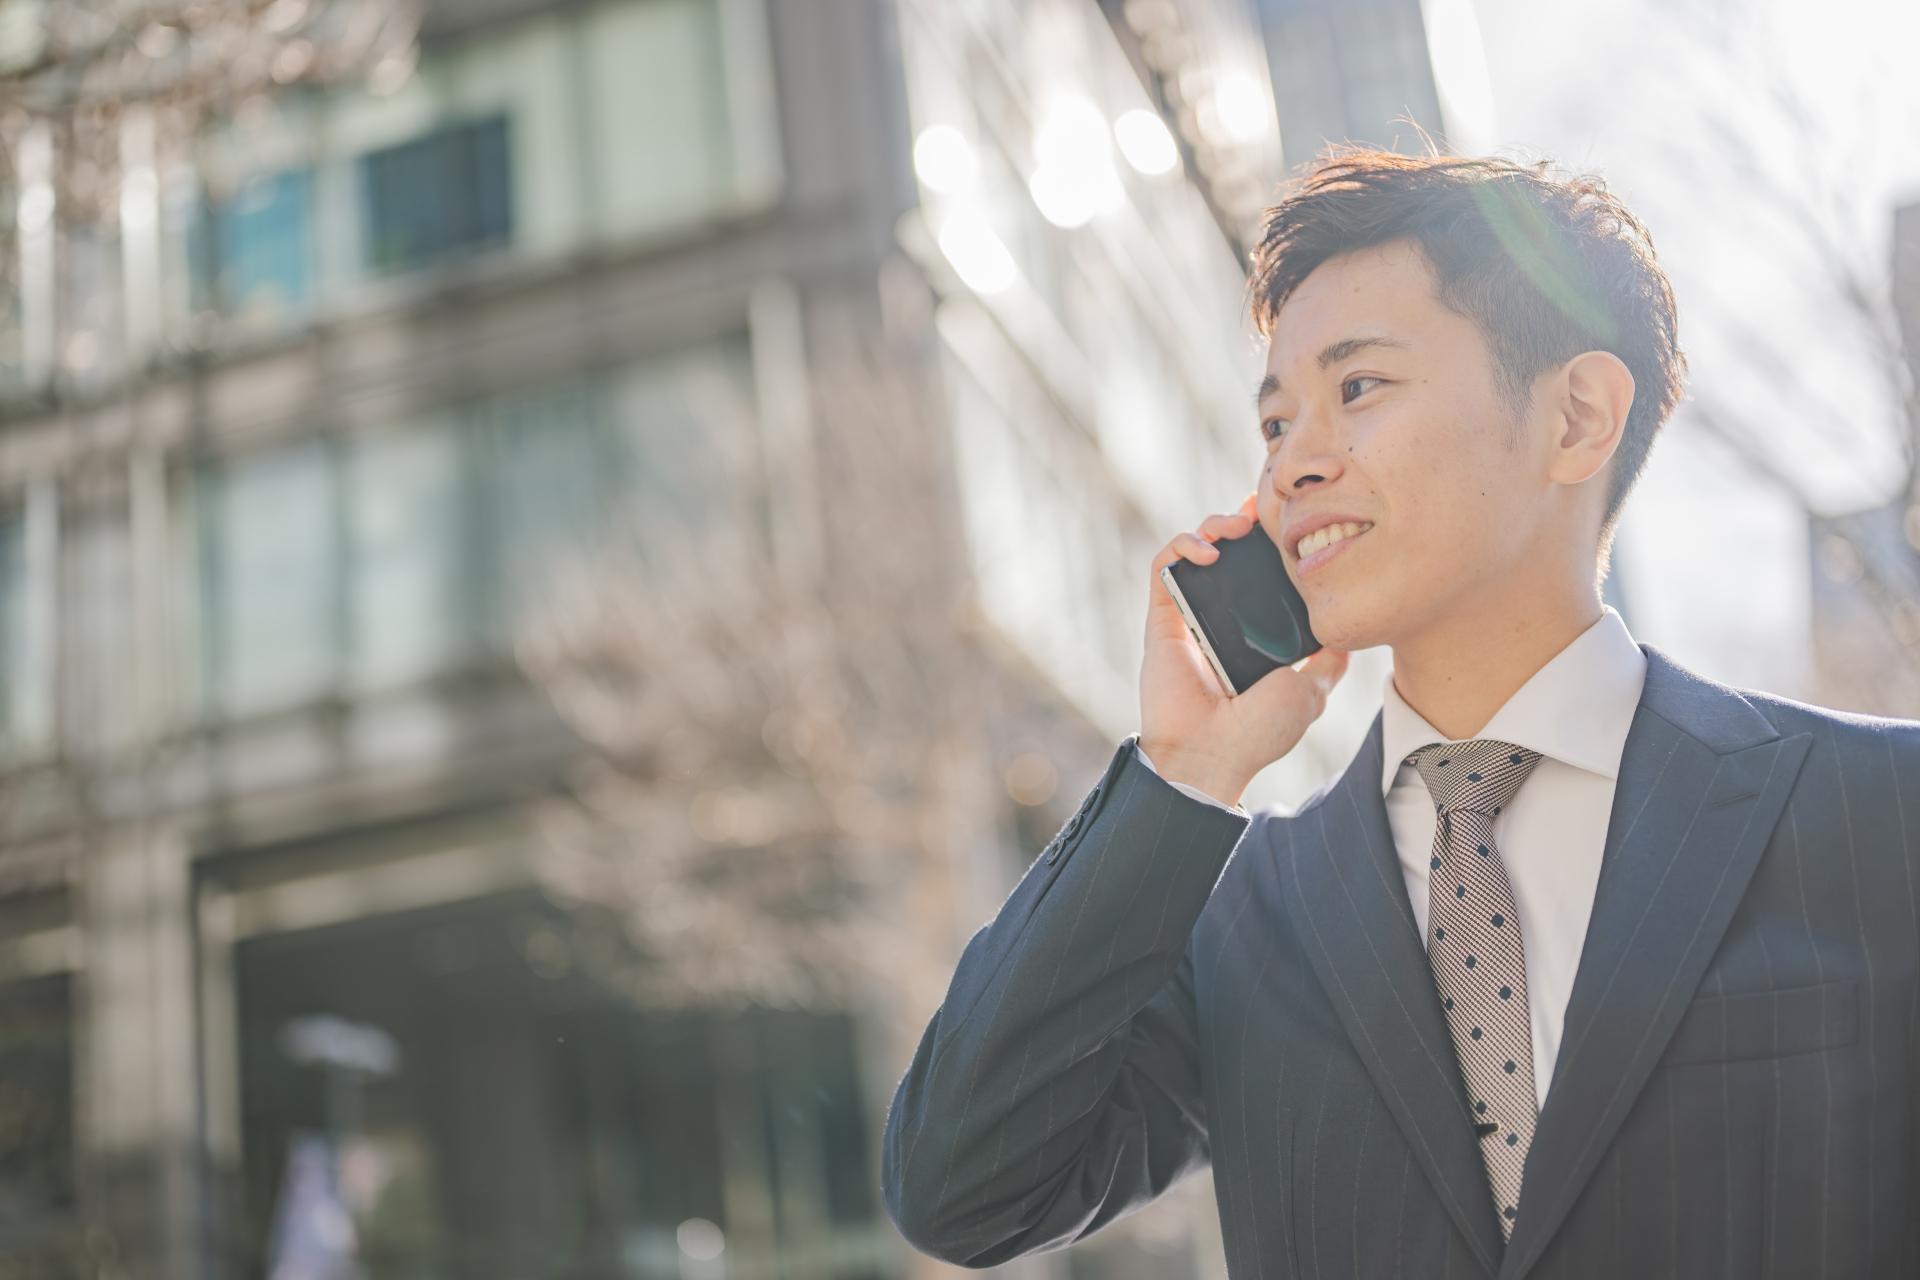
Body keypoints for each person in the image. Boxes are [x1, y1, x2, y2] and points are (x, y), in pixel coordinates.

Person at [880, 147, 1920, 1278]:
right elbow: (963, 1187)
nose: (1291, 469)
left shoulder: (1881, 816)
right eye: (1275, 424)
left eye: (1357, 388)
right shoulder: (1247, 916)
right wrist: (1182, 767)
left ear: (1577, 415)